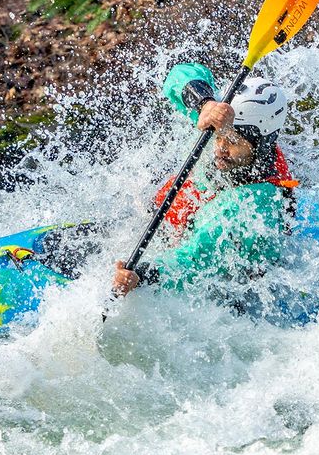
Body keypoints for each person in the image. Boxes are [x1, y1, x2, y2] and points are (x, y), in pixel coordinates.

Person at [112, 62, 299, 296]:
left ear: (260, 146)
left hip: (225, 287)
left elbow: (194, 261)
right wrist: (205, 104)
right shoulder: (221, 120)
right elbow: (179, 74)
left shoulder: (256, 202)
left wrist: (142, 276)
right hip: (173, 231)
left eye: (232, 141)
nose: (220, 148)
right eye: (219, 137)